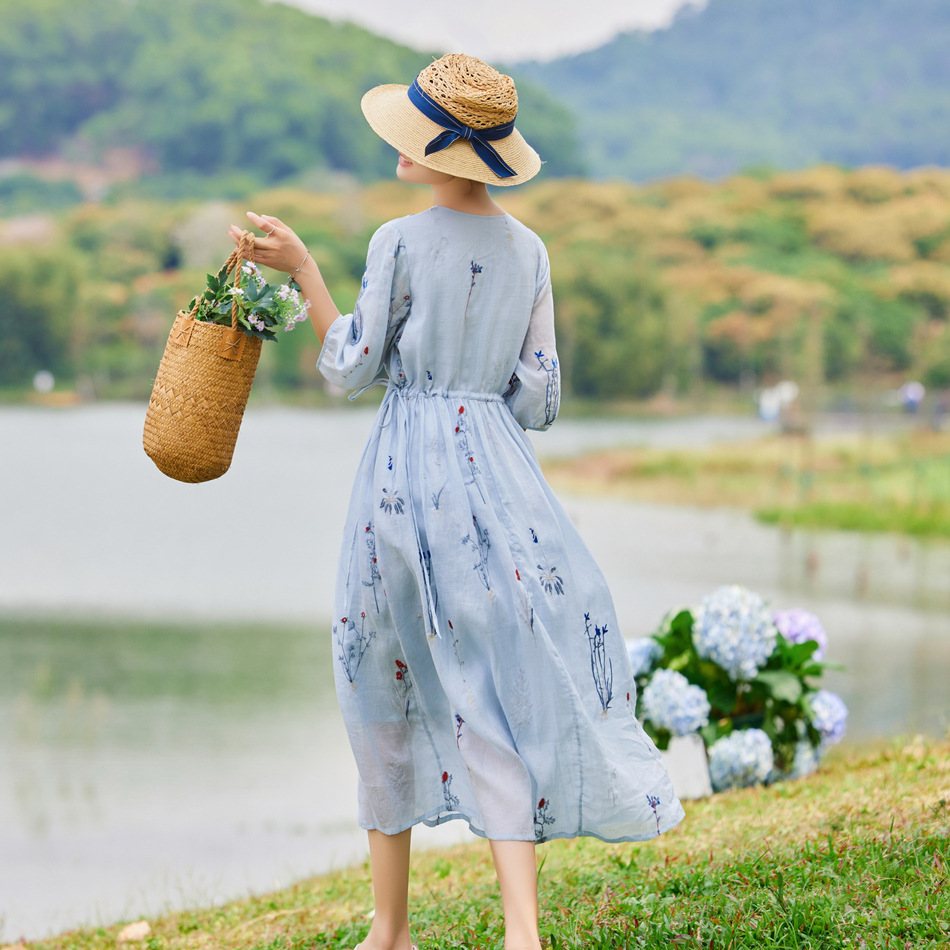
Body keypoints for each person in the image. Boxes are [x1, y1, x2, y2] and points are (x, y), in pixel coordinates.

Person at [229, 53, 683, 950]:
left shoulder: (396, 242)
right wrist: (477, 396)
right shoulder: (532, 250)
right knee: (498, 687)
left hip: (404, 478)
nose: (397, 147)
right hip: (500, 478)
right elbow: (540, 398)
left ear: (439, 151)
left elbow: (350, 367)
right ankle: (523, 933)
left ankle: (389, 930)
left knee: (381, 675)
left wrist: (306, 271)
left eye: (410, 134)